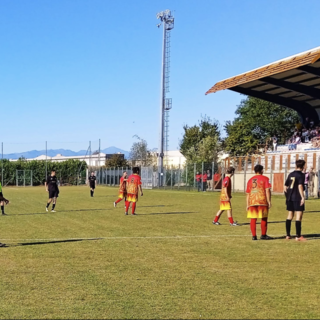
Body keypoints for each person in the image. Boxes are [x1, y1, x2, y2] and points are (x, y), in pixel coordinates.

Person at [246, 165, 272, 240]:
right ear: (261, 170)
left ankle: (254, 236)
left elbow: (247, 193)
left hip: (252, 201)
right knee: (263, 218)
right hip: (262, 201)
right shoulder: (266, 179)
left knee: (253, 219)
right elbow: (267, 190)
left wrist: (247, 204)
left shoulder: (250, 180)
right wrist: (269, 201)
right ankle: (263, 235)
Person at [284, 159, 306, 241]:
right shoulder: (301, 175)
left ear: (296, 165)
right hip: (297, 197)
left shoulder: (291, 174)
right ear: (303, 166)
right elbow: (300, 186)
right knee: (298, 216)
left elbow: (285, 187)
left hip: (290, 197)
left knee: (290, 215)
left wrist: (288, 195)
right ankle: (298, 236)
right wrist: (302, 197)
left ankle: (288, 235)